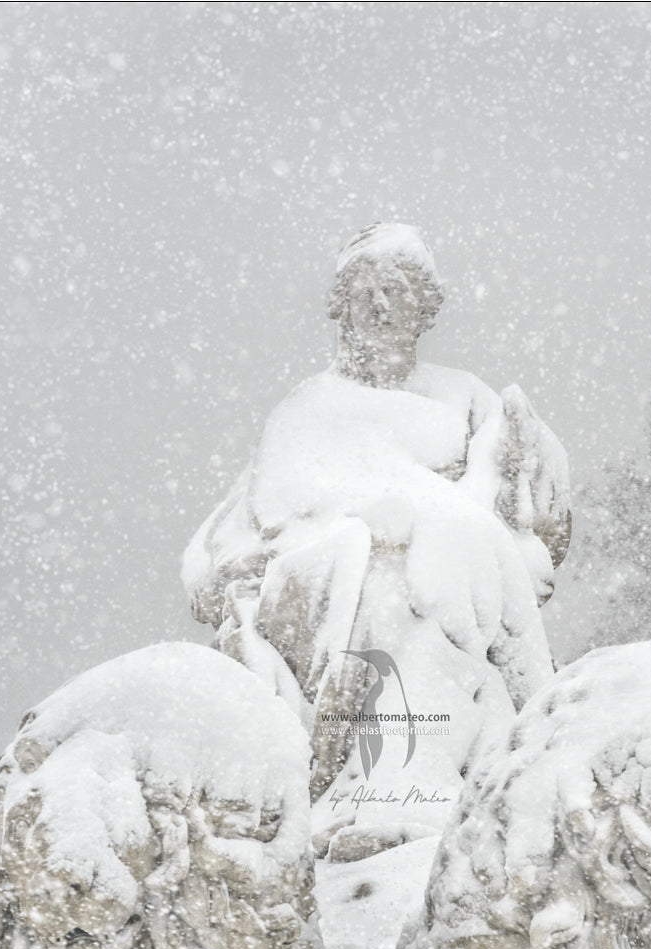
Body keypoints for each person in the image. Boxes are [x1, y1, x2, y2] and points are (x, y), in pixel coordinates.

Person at [184, 223, 571, 853]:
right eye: (367, 291)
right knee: (394, 580)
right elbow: (279, 516)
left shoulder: (464, 397)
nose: (383, 306)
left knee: (426, 572)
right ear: (343, 306)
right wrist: (369, 525)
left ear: (425, 309)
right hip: (322, 585)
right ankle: (394, 775)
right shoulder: (307, 408)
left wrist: (522, 465)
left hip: (448, 569)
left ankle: (424, 771)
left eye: (398, 290)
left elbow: (510, 509)